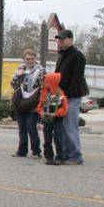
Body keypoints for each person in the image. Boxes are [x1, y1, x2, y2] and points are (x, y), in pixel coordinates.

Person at [54, 29, 86, 165]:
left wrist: (69, 95)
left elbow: (77, 79)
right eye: (59, 39)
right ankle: (66, 154)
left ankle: (76, 156)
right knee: (63, 127)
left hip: (71, 97)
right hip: (62, 96)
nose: (61, 41)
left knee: (70, 126)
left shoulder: (77, 56)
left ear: (71, 39)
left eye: (64, 38)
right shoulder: (62, 57)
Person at [10, 49, 44, 159]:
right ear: (24, 60)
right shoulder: (21, 70)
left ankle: (36, 151)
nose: (30, 61)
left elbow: (43, 86)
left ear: (36, 59)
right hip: (21, 102)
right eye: (27, 59)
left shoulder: (40, 70)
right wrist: (16, 75)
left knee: (31, 127)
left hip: (33, 103)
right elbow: (12, 84)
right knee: (22, 128)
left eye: (32, 59)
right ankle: (22, 150)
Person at [36, 72, 69, 165]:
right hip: (47, 120)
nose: (45, 84)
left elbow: (64, 108)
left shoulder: (60, 94)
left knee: (58, 139)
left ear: (53, 82)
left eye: (47, 82)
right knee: (47, 139)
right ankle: (49, 156)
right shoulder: (45, 95)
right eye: (45, 82)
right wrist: (42, 112)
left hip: (57, 119)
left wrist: (56, 114)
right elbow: (40, 106)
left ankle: (59, 157)